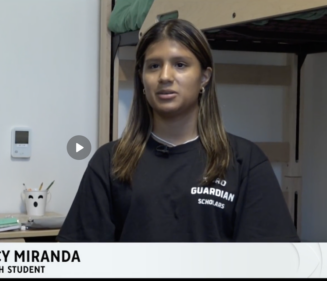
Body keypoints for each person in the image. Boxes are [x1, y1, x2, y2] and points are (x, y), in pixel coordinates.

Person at [57, 19, 300, 242]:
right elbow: (78, 258)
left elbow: (273, 259)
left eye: (180, 64)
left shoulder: (245, 162)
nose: (164, 76)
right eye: (153, 66)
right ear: (141, 77)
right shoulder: (109, 162)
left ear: (204, 77)